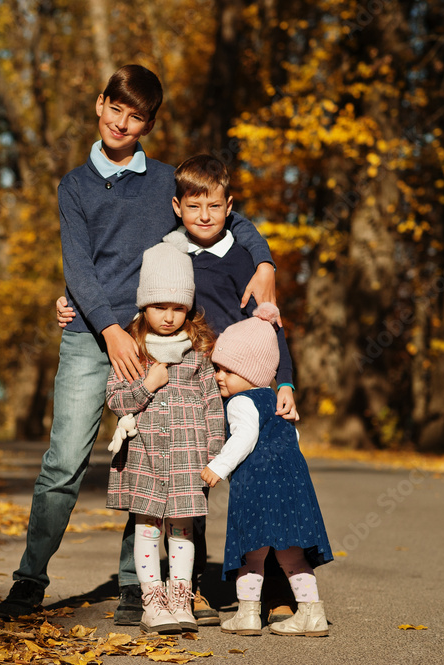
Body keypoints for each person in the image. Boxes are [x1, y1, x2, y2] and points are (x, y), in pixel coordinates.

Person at [0, 65, 278, 624]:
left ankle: (135, 583)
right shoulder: (75, 186)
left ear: (149, 123)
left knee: (155, 456)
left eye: (136, 116)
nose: (122, 123)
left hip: (158, 341)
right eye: (115, 109)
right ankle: (29, 579)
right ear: (100, 104)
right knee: (64, 462)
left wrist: (265, 261)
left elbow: (229, 217)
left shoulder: (166, 182)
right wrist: (105, 327)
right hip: (91, 337)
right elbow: (77, 263)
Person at [56, 153, 298, 625]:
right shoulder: (168, 250)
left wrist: (283, 379)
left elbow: (271, 323)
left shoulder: (246, 255)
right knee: (195, 485)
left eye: (214, 206)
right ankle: (196, 590)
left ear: (228, 206)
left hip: (245, 382)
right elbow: (119, 277)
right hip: (196, 378)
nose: (203, 215)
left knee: (260, 485)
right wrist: (74, 305)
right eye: (193, 207)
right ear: (177, 207)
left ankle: (277, 587)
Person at [104, 232, 225, 634]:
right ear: (144, 305)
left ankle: (180, 597)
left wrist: (214, 452)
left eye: (178, 307)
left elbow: (212, 405)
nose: (169, 316)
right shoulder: (131, 350)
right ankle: (152, 602)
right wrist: (148, 384)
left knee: (183, 529)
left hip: (189, 457)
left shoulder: (199, 352)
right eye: (159, 306)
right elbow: (116, 400)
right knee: (147, 527)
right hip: (146, 457)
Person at [201, 304, 333, 637]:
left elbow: (244, 437)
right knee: (292, 556)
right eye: (217, 368)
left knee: (252, 554)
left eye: (227, 370)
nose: (219, 376)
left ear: (253, 372)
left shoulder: (240, 402)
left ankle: (247, 614)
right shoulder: (278, 401)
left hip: (257, 489)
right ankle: (311, 613)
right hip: (292, 488)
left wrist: (218, 466)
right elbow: (294, 438)